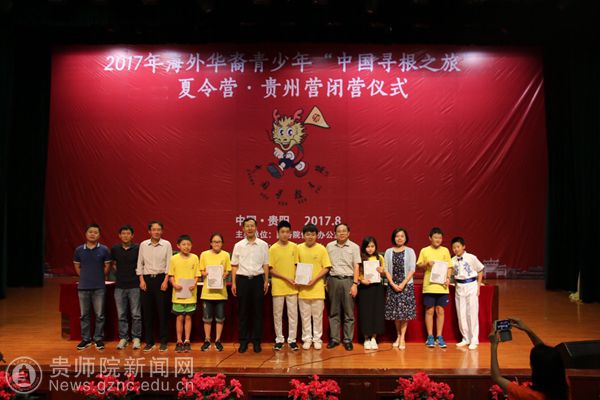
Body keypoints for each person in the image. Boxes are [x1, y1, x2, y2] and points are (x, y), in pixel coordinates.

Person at [490, 318, 570, 400]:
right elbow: (545, 353)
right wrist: (528, 330)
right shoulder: (563, 383)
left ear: (534, 367)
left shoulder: (527, 394)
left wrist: (493, 344)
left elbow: (497, 377)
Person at [231, 217, 270, 353]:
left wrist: (266, 281)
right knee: (243, 312)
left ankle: (256, 341)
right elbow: (234, 265)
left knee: (257, 313)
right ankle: (243, 341)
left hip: (258, 280)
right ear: (243, 229)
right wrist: (234, 283)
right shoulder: (238, 245)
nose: (250, 228)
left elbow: (266, 264)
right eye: (247, 226)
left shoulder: (263, 245)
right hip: (242, 281)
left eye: (252, 226)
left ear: (256, 228)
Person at [74, 223, 112, 350]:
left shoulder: (104, 250)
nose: (92, 234)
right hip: (83, 287)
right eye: (90, 232)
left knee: (99, 315)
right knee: (84, 315)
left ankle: (98, 338)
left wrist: (98, 276)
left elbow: (107, 267)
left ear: (99, 235)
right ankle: (86, 339)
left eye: (95, 232)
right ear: (86, 234)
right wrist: (86, 277)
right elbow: (77, 267)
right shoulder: (79, 250)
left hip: (99, 287)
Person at [137, 220, 172, 352]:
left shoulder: (166, 244)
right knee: (147, 312)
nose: (156, 232)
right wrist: (141, 280)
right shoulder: (143, 245)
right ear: (149, 231)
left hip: (161, 280)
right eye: (154, 229)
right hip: (146, 280)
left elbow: (169, 264)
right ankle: (149, 341)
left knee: (162, 312)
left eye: (159, 229)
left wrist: (166, 280)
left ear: (162, 231)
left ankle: (163, 341)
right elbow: (140, 263)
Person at [326, 223, 361, 351]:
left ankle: (347, 340)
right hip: (333, 280)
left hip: (348, 280)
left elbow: (356, 266)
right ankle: (334, 339)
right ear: (335, 233)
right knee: (333, 312)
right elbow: (326, 265)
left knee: (349, 313)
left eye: (344, 231)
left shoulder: (354, 247)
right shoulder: (329, 246)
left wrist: (355, 284)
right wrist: (326, 282)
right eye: (339, 231)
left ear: (348, 233)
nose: (341, 233)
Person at [416, 227, 453, 348]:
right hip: (429, 286)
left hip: (442, 286)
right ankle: (430, 336)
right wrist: (426, 263)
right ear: (430, 238)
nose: (438, 240)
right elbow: (419, 265)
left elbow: (449, 266)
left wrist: (448, 278)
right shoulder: (424, 250)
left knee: (440, 310)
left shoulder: (445, 251)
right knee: (430, 310)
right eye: (435, 237)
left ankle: (439, 336)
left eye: (440, 238)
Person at [297, 224, 332, 350]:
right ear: (303, 235)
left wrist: (314, 279)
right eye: (307, 234)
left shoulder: (322, 249)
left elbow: (326, 267)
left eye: (313, 234)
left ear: (317, 235)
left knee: (317, 317)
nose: (310, 237)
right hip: (303, 289)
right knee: (305, 317)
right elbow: (295, 265)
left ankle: (317, 339)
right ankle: (307, 339)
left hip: (317, 289)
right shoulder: (298, 248)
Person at [383, 228, 417, 350]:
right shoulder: (388, 252)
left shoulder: (410, 251)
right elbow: (386, 269)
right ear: (394, 238)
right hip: (393, 286)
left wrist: (403, 283)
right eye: (397, 236)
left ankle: (402, 337)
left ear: (405, 238)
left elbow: (412, 269)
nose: (400, 238)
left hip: (406, 286)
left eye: (402, 236)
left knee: (404, 314)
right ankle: (398, 335)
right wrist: (392, 283)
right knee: (395, 314)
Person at [269, 220, 300, 351]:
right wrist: (286, 278)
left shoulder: (294, 247)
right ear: (278, 233)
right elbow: (271, 269)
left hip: (292, 287)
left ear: (290, 233)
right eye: (282, 232)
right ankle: (279, 340)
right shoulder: (273, 248)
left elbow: (297, 265)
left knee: (293, 315)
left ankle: (292, 340)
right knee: (277, 315)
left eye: (287, 232)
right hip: (278, 287)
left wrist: (297, 278)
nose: (285, 234)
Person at [198, 233, 231, 352]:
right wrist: (204, 273)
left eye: (219, 242)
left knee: (220, 318)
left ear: (222, 243)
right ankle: (207, 340)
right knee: (207, 318)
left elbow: (228, 270)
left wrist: (225, 274)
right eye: (214, 241)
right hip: (207, 292)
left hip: (220, 292)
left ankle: (217, 340)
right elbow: (201, 270)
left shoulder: (226, 255)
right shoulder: (204, 254)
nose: (216, 244)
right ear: (210, 243)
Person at [111, 224, 142, 350]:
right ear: (119, 235)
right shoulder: (115, 249)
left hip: (134, 285)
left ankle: (136, 337)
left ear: (132, 235)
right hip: (120, 286)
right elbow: (113, 264)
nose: (125, 236)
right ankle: (123, 338)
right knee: (121, 314)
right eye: (123, 233)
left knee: (136, 314)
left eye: (128, 233)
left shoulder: (138, 248)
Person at [451, 236, 485, 350]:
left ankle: (474, 339)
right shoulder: (452, 260)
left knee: (472, 313)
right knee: (461, 313)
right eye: (454, 247)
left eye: (458, 247)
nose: (456, 249)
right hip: (459, 287)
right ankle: (465, 338)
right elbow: (451, 274)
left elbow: (480, 270)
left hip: (471, 285)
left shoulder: (471, 257)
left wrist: (478, 285)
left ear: (463, 247)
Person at [168, 234, 200, 353]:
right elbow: (171, 275)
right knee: (179, 317)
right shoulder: (174, 258)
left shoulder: (195, 258)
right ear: (178, 246)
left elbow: (197, 274)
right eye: (183, 244)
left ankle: (187, 340)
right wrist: (174, 284)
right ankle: (179, 340)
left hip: (190, 293)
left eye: (188, 244)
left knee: (188, 317)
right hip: (178, 293)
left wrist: (195, 283)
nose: (186, 246)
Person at [357, 236, 385, 350]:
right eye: (368, 246)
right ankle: (366, 338)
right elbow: (357, 273)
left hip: (377, 287)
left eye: (372, 246)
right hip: (364, 288)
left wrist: (382, 271)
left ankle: (374, 337)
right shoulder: (360, 258)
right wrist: (361, 280)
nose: (370, 249)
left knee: (376, 312)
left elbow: (384, 272)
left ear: (375, 247)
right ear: (364, 247)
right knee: (365, 312)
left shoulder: (380, 257)